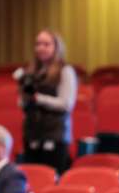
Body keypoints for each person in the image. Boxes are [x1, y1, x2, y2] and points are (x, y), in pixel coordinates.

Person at [14, 29, 77, 173]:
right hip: (32, 134)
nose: (41, 48)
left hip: (54, 136)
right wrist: (24, 98)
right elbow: (23, 104)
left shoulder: (65, 71)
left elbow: (66, 104)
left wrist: (39, 99)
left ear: (56, 47)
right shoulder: (31, 72)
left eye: (46, 44)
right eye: (38, 44)